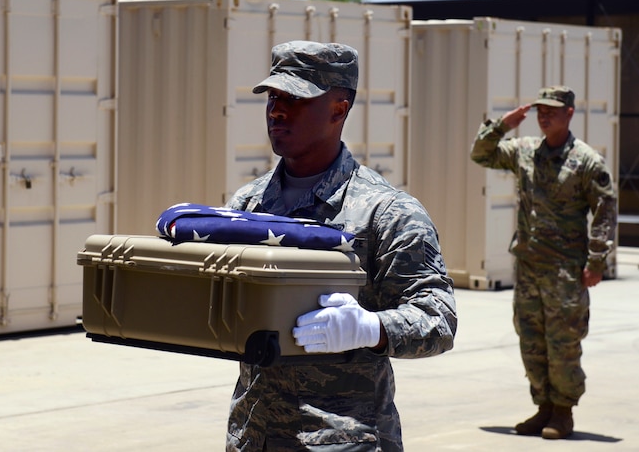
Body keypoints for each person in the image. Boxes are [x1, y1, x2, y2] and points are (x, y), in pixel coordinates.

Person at [224, 40, 457, 451]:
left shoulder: (387, 212)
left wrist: (371, 328)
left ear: (338, 109)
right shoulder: (249, 205)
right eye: (274, 97)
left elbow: (437, 320)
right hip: (254, 436)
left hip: (344, 438)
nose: (276, 110)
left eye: (294, 99)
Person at [470, 86, 617, 440]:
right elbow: (481, 154)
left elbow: (605, 209)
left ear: (569, 113)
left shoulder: (586, 161)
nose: (543, 115)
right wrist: (502, 125)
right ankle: (543, 408)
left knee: (563, 344)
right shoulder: (525, 152)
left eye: (551, 109)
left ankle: (563, 412)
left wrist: (597, 261)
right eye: (539, 110)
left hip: (566, 271)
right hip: (529, 267)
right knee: (531, 340)